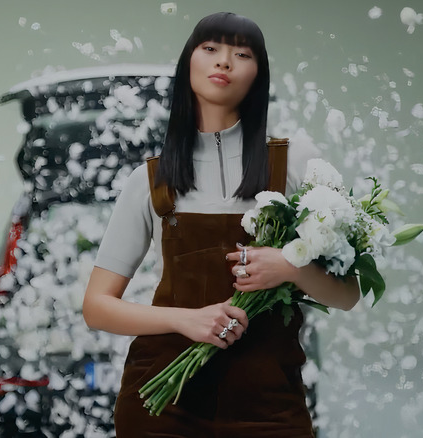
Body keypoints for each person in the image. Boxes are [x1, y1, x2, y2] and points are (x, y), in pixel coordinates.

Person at [82, 12, 360, 437]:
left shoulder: (296, 162)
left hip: (269, 405)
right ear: (188, 63)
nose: (223, 62)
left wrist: (291, 268)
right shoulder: (150, 180)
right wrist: (185, 320)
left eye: (241, 53)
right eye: (210, 49)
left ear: (258, 75)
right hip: (162, 404)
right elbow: (97, 306)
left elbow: (348, 295)